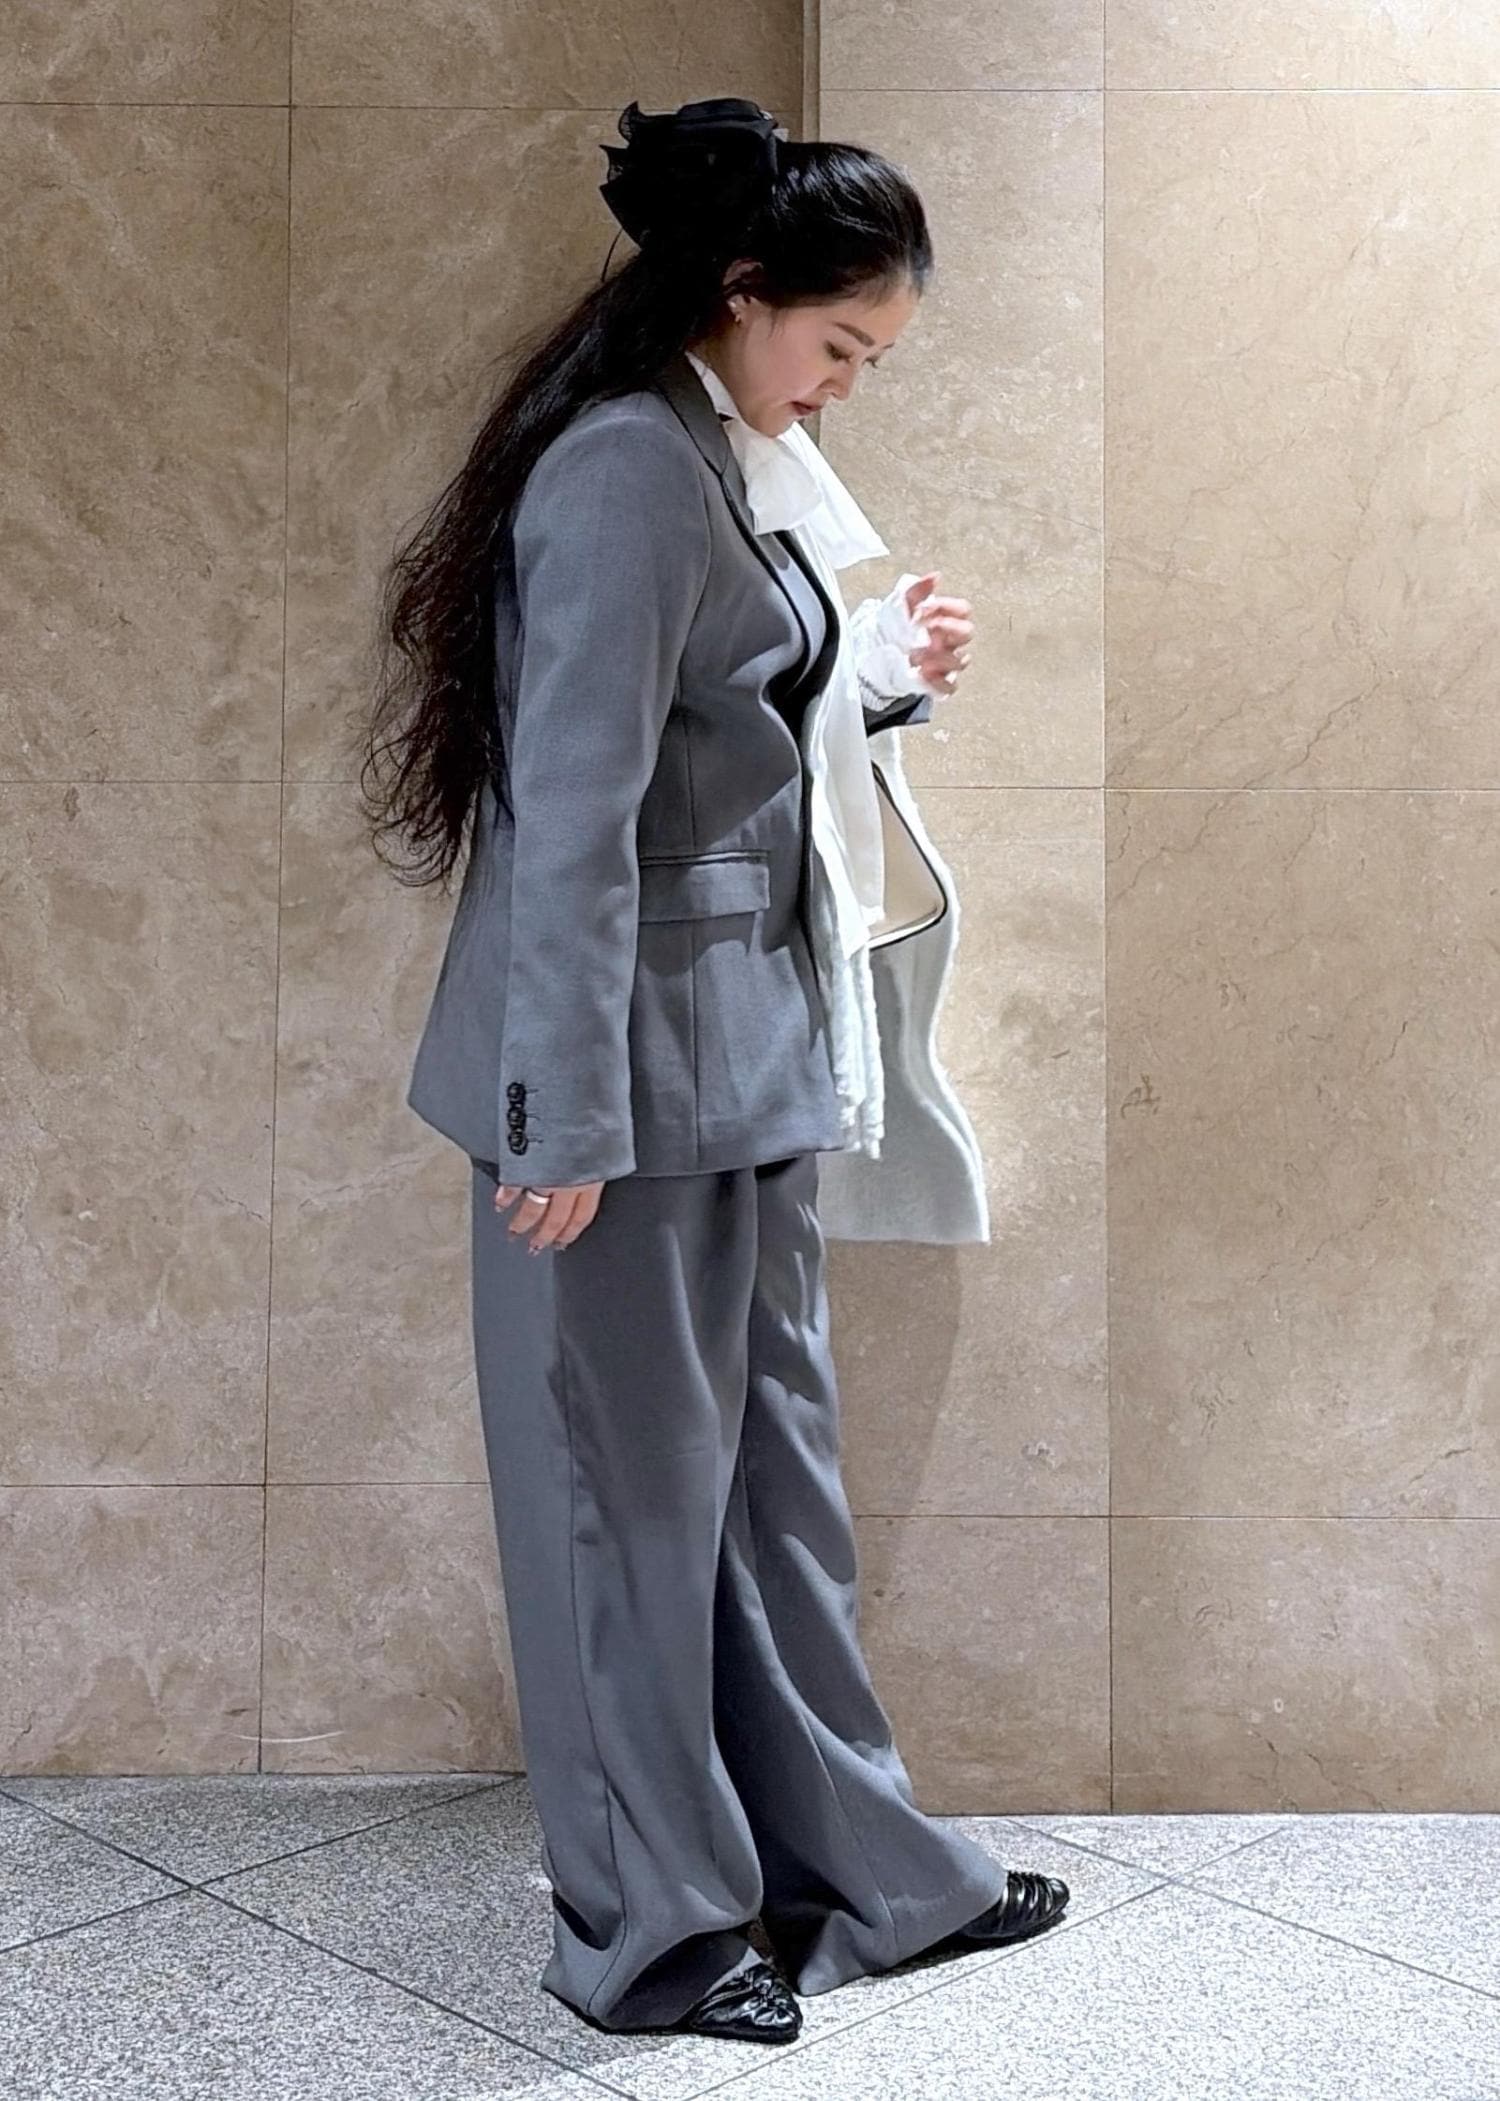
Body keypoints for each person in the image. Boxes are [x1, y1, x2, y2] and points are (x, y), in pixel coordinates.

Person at [358, 94, 1069, 2050]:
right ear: (741, 290)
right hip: (618, 1086)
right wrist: (557, 1113)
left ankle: (859, 1866)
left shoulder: (718, 457)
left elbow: (729, 729)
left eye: (871, 361)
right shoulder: (625, 468)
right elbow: (573, 814)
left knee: (773, 1494)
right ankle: (652, 1925)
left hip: (746, 1059)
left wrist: (880, 673)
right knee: (623, 1510)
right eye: (838, 346)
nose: (843, 388)